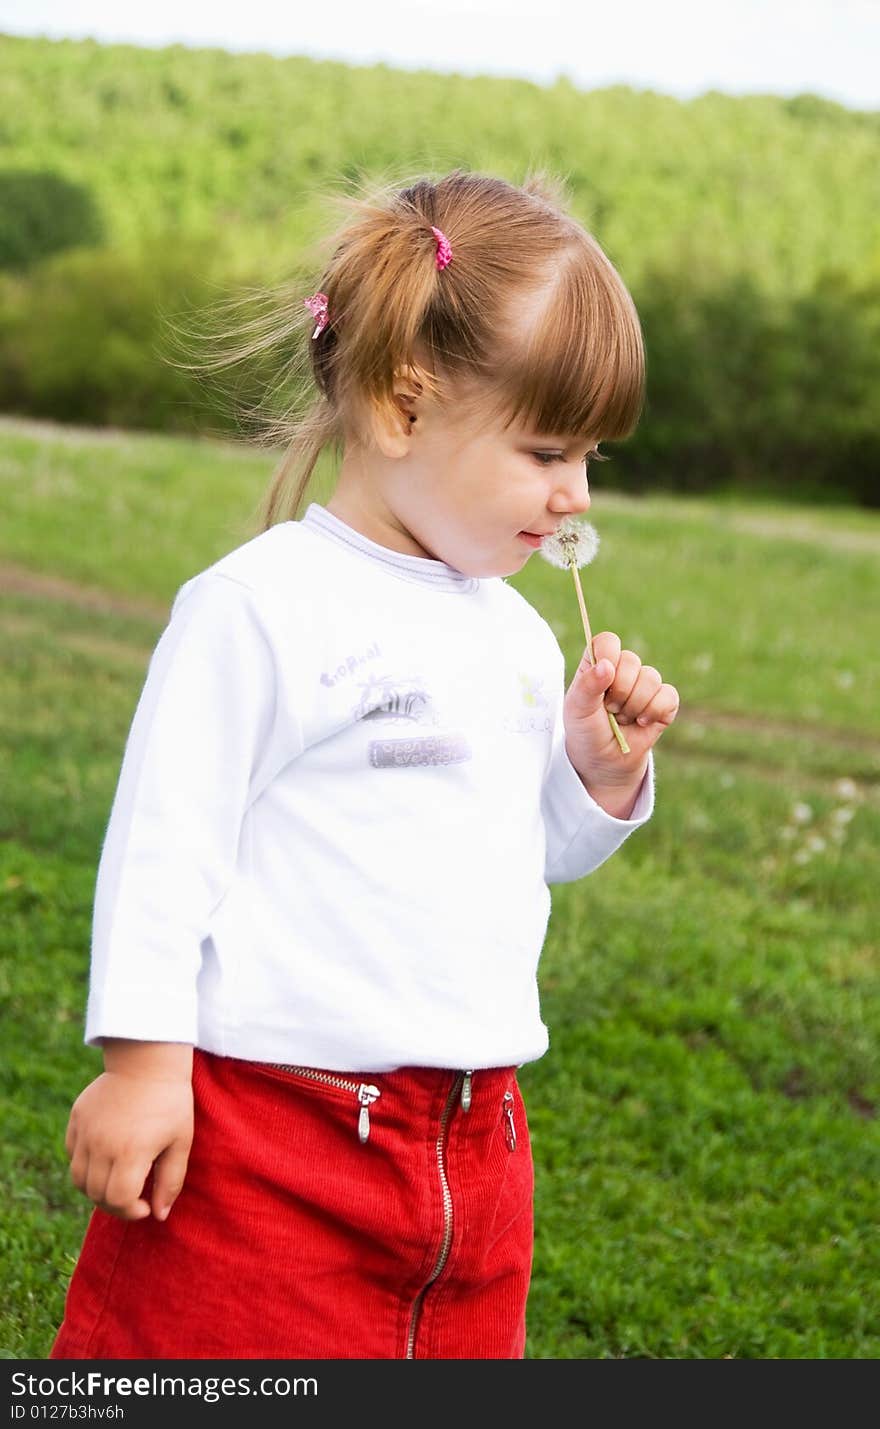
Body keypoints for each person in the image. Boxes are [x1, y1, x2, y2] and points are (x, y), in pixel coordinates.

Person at [50, 168, 680, 1361]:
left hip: (476, 1144)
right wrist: (142, 1067)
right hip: (275, 1142)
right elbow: (162, 852)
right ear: (401, 407)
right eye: (546, 448)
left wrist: (593, 778)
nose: (575, 494)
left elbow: (521, 849)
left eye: (590, 456)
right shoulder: (263, 608)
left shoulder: (507, 628)